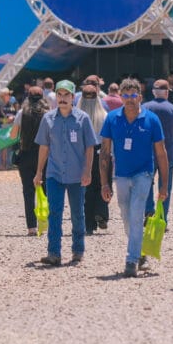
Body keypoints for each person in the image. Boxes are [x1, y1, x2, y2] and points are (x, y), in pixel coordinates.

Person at [100, 77, 169, 277]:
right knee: (125, 214)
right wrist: (104, 183)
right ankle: (139, 252)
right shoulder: (112, 118)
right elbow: (104, 152)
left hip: (144, 173)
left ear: (140, 97)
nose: (130, 99)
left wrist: (164, 184)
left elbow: (161, 152)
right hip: (121, 174)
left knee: (137, 212)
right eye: (126, 95)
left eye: (133, 95)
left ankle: (131, 260)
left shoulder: (151, 119)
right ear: (120, 97)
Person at [34, 80, 96, 265]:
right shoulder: (48, 119)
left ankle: (78, 251)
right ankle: (54, 253)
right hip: (54, 174)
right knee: (54, 213)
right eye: (59, 95)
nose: (62, 98)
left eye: (66, 95)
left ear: (73, 97)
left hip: (77, 175)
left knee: (77, 213)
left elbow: (90, 147)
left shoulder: (83, 119)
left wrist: (87, 171)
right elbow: (44, 147)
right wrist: (39, 172)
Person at [10, 86, 49, 236]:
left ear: (28, 97)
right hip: (44, 154)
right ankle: (44, 222)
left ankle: (31, 227)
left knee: (28, 191)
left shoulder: (22, 113)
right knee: (45, 190)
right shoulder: (48, 114)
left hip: (26, 154)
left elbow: (13, 135)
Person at [143, 78, 173, 223]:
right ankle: (162, 217)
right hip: (168, 153)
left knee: (146, 183)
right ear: (166, 92)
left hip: (148, 153)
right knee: (166, 186)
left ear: (154, 92)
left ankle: (149, 211)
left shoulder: (145, 108)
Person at [76, 84, 110, 234]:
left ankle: (88, 224)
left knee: (86, 188)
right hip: (102, 151)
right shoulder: (105, 116)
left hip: (82, 153)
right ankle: (101, 212)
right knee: (103, 183)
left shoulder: (76, 116)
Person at [0, 88, 18, 170]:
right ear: (3, 96)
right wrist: (6, 120)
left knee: (9, 146)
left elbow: (16, 113)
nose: (9, 96)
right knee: (1, 146)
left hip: (10, 127)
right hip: (2, 128)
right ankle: (1, 165)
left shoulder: (12, 104)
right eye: (8, 94)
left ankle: (8, 164)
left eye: (9, 94)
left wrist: (13, 118)